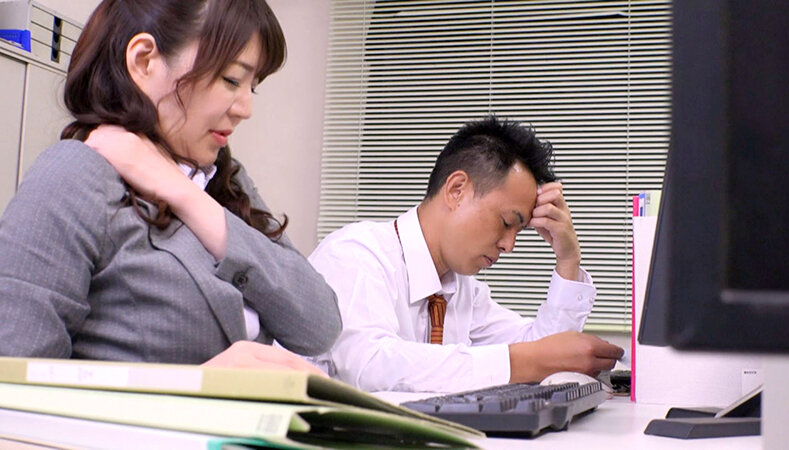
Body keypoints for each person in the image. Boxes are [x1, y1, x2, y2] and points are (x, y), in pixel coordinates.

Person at [0, 0, 340, 372]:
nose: (245, 108)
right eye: (231, 79)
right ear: (144, 60)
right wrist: (196, 388)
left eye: (252, 87)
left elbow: (320, 326)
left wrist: (184, 194)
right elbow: (13, 380)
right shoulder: (75, 173)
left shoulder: (224, 180)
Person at [307, 115, 624, 392]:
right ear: (456, 190)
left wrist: (568, 260)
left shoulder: (462, 291)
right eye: (506, 223)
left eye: (519, 231)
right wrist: (519, 361)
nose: (509, 245)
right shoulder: (355, 255)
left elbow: (545, 353)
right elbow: (368, 365)